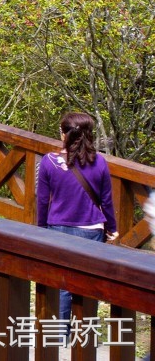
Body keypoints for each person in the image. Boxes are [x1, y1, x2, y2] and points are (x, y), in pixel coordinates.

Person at [36, 112, 118, 321]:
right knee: (89, 284)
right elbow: (106, 201)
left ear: (63, 134)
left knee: (63, 285)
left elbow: (42, 200)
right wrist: (112, 228)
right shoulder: (99, 162)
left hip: (58, 228)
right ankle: (86, 334)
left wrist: (41, 229)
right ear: (89, 134)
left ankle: (62, 333)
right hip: (92, 230)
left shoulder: (49, 161)